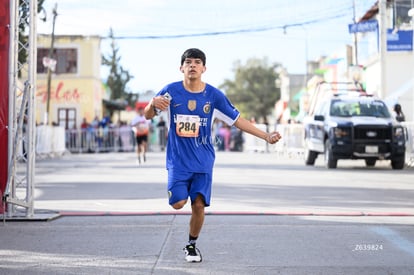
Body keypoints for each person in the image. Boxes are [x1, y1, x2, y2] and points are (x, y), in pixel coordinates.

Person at [144, 48, 281, 263]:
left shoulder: (214, 96)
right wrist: (152, 104)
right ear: (181, 68)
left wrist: (266, 136)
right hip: (178, 161)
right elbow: (147, 115)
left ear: (204, 68)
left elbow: (238, 120)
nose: (192, 65)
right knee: (178, 203)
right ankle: (183, 197)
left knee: (198, 205)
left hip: (203, 161)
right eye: (188, 62)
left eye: (197, 62)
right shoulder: (170, 91)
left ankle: (191, 245)